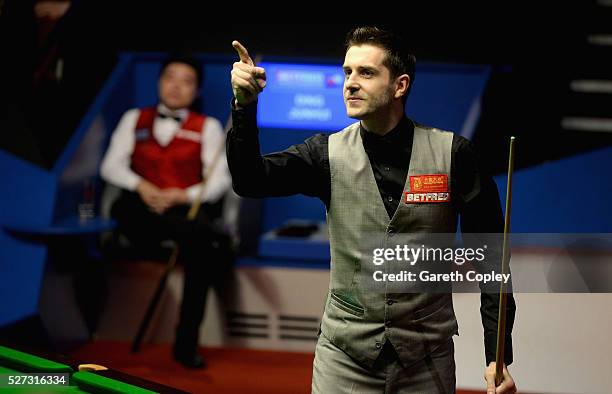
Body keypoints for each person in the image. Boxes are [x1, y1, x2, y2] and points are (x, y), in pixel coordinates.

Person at [228, 26, 517, 393]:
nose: (350, 83)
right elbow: (249, 180)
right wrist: (244, 105)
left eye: (366, 72)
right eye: (347, 72)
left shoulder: (455, 155)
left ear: (400, 85)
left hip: (426, 360)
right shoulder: (324, 154)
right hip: (345, 358)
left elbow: (492, 259)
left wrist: (498, 354)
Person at [100, 54, 233, 368]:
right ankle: (212, 238)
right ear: (159, 82)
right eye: (170, 78)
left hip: (180, 213)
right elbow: (110, 166)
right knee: (134, 212)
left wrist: (181, 196)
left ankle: (186, 343)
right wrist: (141, 186)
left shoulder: (208, 127)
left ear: (196, 90)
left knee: (200, 239)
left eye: (186, 81)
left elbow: (218, 181)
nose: (176, 87)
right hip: (139, 210)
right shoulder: (134, 118)